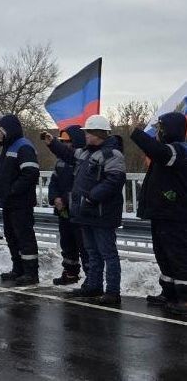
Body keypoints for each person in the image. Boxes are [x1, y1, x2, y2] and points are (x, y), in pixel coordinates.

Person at [45, 114, 126, 306]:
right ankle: (94, 286)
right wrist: (52, 143)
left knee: (108, 253)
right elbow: (68, 154)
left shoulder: (112, 155)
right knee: (92, 252)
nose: (86, 136)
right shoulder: (86, 152)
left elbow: (114, 181)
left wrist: (91, 196)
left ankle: (113, 291)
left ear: (98, 134)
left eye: (88, 132)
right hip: (86, 213)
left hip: (102, 213)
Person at [130, 112, 187, 315]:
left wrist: (137, 132)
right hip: (162, 212)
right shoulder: (169, 151)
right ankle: (169, 293)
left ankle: (184, 298)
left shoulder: (178, 151)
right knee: (163, 255)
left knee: (178, 256)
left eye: (160, 128)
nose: (157, 133)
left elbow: (157, 151)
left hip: (176, 213)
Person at [0, 114, 40, 285]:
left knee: (24, 236)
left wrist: (12, 191)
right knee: (11, 236)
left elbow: (30, 173)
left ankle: (30, 272)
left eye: (0, 131)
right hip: (10, 203)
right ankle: (18, 269)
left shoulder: (23, 146)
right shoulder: (9, 147)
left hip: (21, 203)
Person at [45, 125, 89, 285]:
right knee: (67, 243)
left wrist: (66, 199)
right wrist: (55, 198)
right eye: (62, 141)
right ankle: (70, 273)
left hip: (79, 211)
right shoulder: (60, 162)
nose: (65, 145)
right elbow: (53, 182)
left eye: (68, 141)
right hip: (63, 211)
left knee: (84, 245)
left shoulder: (83, 160)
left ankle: (91, 277)